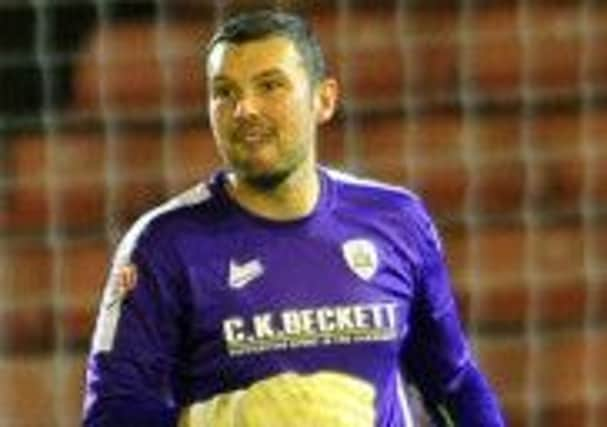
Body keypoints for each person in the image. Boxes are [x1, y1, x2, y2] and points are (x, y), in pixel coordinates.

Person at [83, 10, 505, 427]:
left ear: (325, 99)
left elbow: (453, 383)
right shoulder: (163, 244)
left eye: (270, 86)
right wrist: (229, 419)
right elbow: (109, 414)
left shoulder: (397, 220)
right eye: (224, 92)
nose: (244, 108)